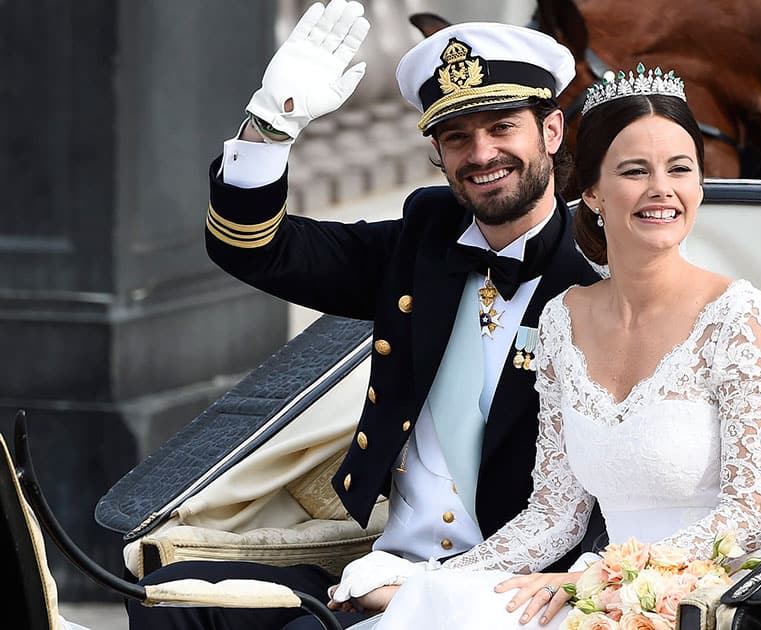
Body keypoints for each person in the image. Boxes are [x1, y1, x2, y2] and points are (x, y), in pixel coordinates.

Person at [125, 3, 599, 629]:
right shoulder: (422, 241)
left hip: (507, 590)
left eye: (502, 127)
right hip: (380, 564)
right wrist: (272, 125)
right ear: (436, 149)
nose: (482, 153)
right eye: (457, 137)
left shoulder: (597, 277)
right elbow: (256, 248)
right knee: (172, 600)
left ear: (553, 132)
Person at [368, 65, 761, 629]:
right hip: (596, 593)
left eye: (680, 169)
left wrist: (600, 578)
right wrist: (438, 584)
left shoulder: (741, 317)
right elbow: (556, 515)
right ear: (591, 190)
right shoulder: (563, 320)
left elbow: (750, 518)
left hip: (709, 601)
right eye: (635, 171)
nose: (661, 189)